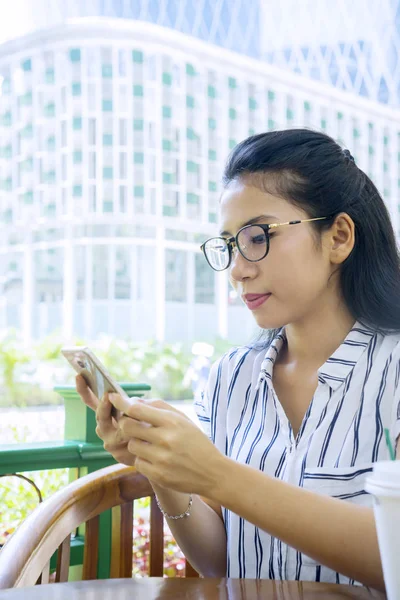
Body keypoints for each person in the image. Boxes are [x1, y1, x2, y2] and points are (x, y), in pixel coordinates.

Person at [76, 129, 400, 591]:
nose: (238, 268)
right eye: (229, 245)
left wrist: (218, 475)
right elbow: (219, 562)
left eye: (257, 236)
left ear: (339, 237)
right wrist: (164, 473)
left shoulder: (393, 371)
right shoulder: (232, 377)